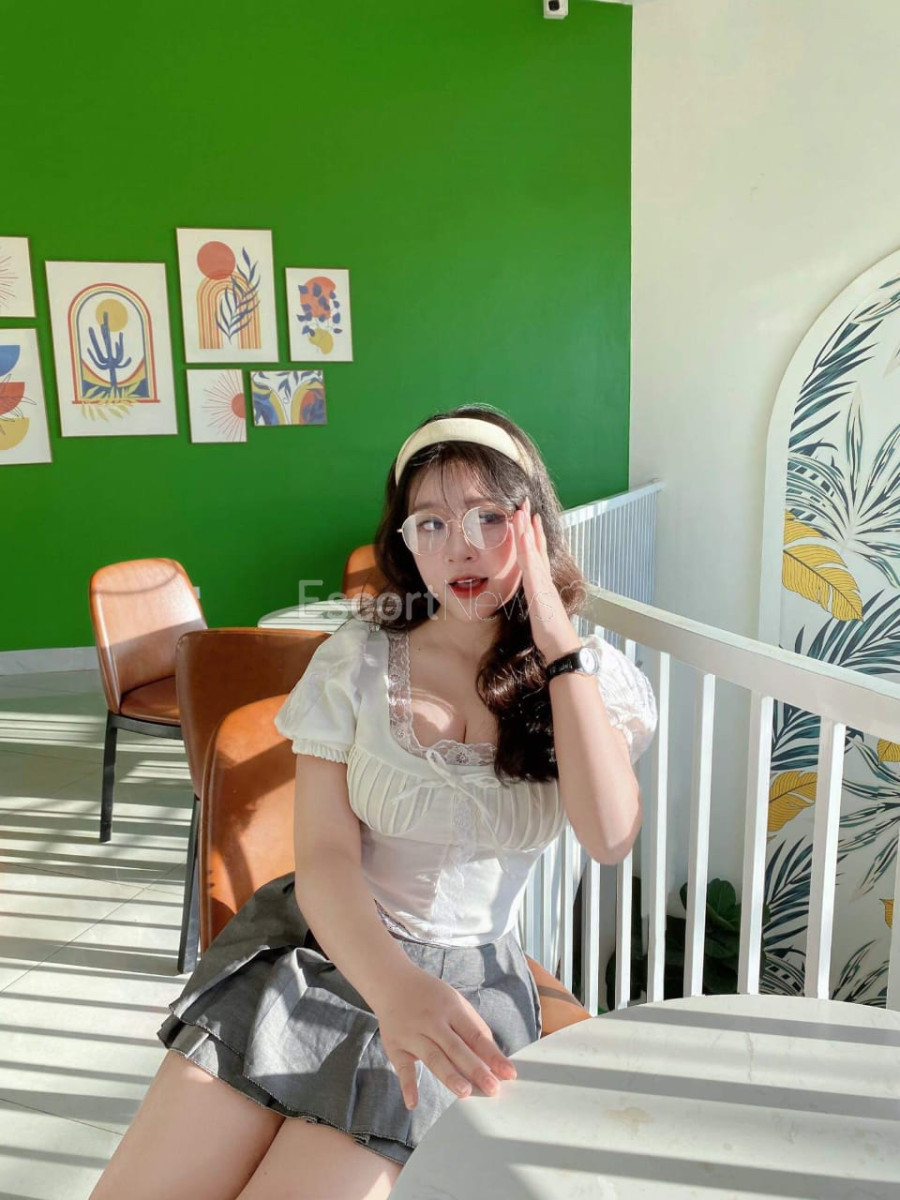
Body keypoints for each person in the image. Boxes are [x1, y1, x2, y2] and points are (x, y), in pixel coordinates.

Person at [89, 405, 657, 1200]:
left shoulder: (590, 679)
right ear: (405, 542)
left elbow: (610, 835)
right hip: (322, 951)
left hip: (462, 988)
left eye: (489, 517)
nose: (460, 546)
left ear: (535, 526)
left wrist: (561, 652)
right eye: (432, 523)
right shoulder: (356, 663)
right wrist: (392, 988)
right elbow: (323, 858)